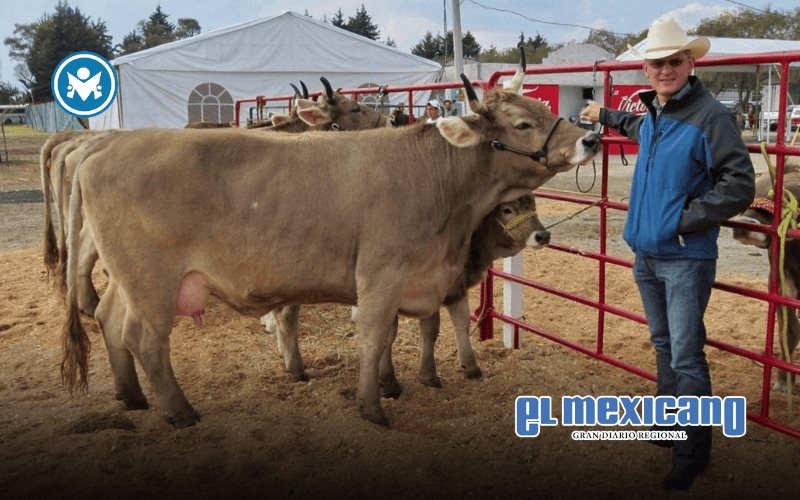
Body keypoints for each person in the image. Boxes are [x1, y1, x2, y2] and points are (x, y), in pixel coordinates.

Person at [580, 18, 754, 491]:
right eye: (657, 63)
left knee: (685, 356)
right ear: (645, 70)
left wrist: (681, 218)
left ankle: (692, 452)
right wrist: (603, 115)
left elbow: (739, 184)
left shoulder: (711, 116)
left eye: (674, 61)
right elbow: (636, 125)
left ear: (690, 63)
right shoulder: (655, 113)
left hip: (684, 255)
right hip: (649, 253)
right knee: (663, 345)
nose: (665, 70)